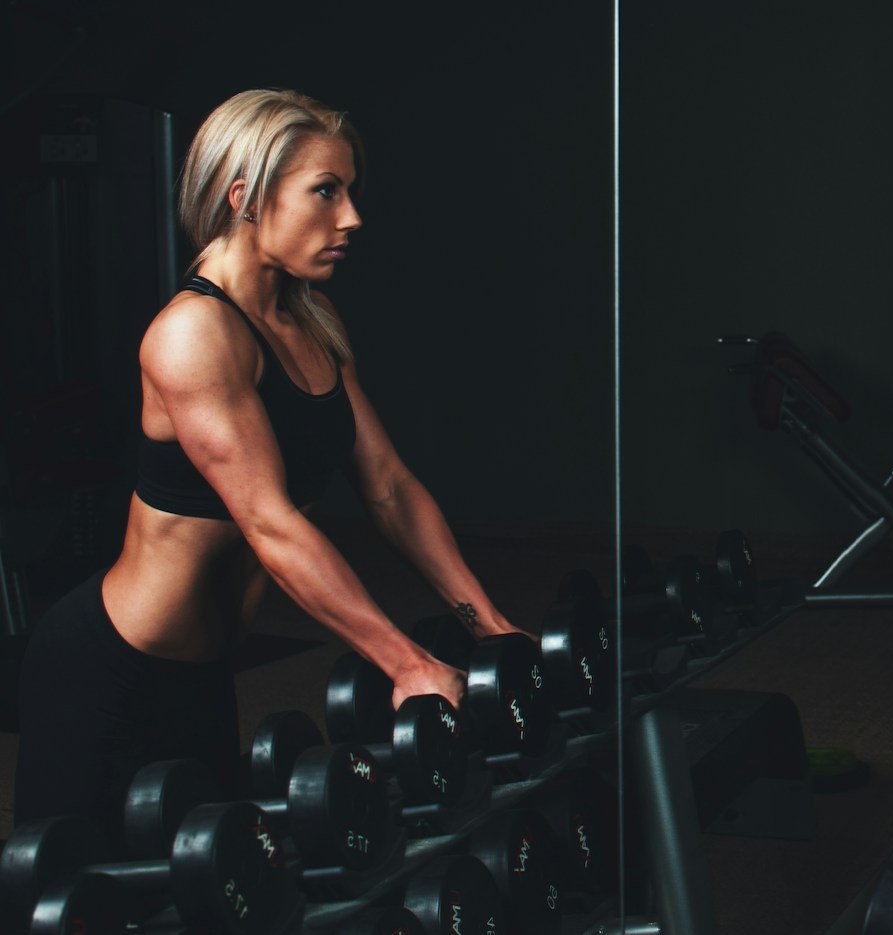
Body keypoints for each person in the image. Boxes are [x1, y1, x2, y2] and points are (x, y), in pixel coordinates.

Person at [14, 89, 524, 838]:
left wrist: (491, 627)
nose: (351, 217)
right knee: (68, 900)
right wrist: (407, 664)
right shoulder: (192, 334)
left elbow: (388, 487)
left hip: (203, 677)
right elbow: (270, 523)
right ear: (245, 194)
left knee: (207, 887)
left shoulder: (308, 320)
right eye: (326, 190)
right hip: (110, 670)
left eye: (349, 191)